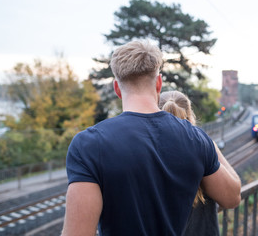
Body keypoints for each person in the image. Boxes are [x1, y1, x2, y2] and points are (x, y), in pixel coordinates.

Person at [61, 40, 241, 236]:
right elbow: (232, 198)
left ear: (117, 88)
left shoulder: (88, 145)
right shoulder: (196, 139)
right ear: (158, 83)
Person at [159, 91, 241, 236]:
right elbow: (233, 198)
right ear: (191, 117)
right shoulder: (201, 148)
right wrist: (211, 146)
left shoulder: (146, 152)